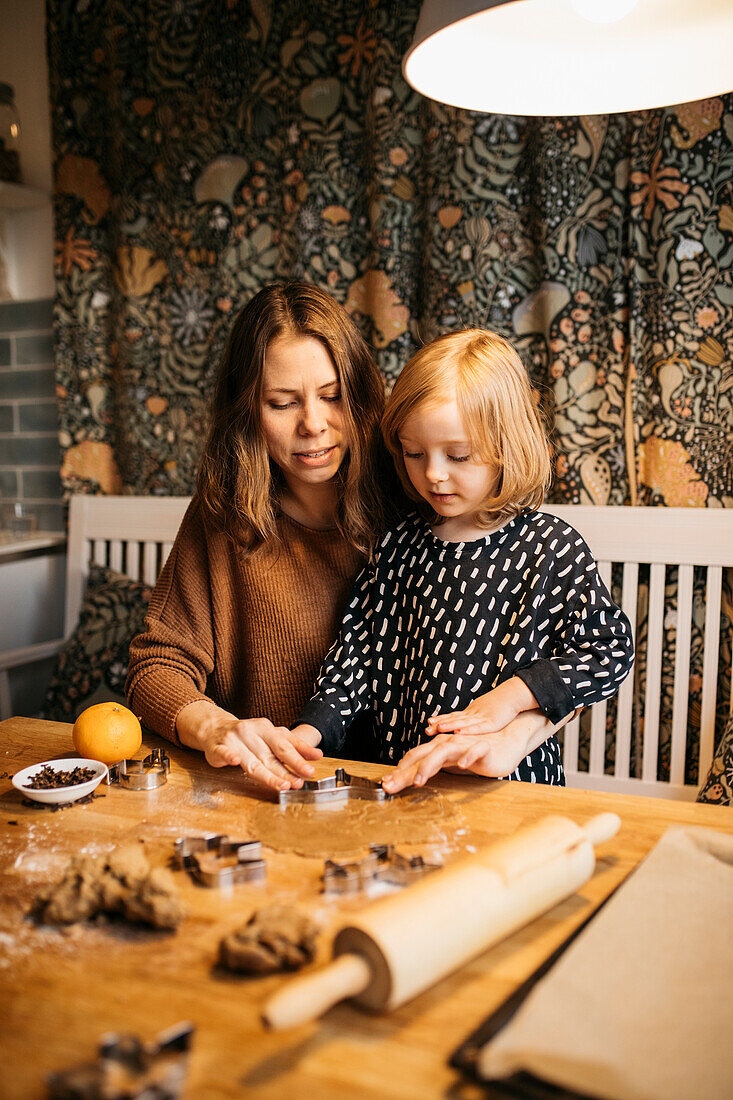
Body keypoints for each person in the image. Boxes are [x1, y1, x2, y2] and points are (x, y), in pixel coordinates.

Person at [289, 329, 634, 792]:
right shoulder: (397, 545)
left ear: (505, 448)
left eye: (458, 455)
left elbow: (608, 651)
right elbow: (355, 657)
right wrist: (309, 732)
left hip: (510, 789)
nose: (432, 473)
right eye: (414, 453)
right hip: (404, 783)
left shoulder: (550, 548)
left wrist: (513, 697)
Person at [126, 281, 392, 792]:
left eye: (332, 396)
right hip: (273, 793)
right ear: (249, 409)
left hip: (400, 794)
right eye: (282, 403)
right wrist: (214, 726)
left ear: (359, 394)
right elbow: (156, 666)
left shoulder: (415, 494)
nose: (313, 424)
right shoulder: (223, 516)